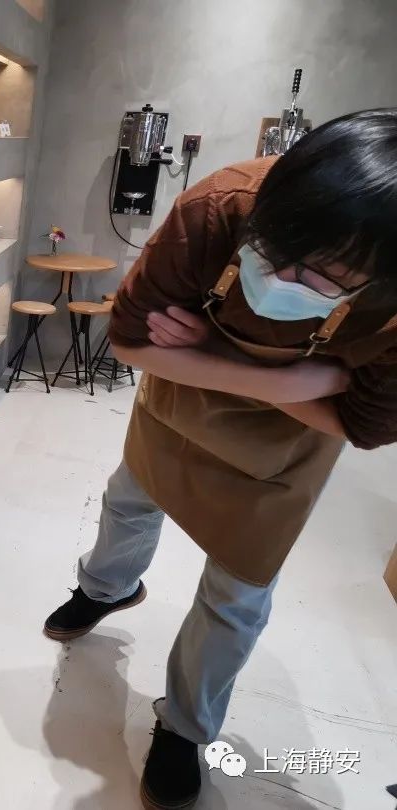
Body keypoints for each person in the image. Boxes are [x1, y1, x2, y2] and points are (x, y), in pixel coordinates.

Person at [42, 108, 397, 810]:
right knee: (128, 501)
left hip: (280, 456)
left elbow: (363, 424)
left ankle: (185, 728)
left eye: (322, 275)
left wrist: (203, 355)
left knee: (237, 595)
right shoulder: (222, 205)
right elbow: (130, 340)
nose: (284, 276)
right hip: (181, 410)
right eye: (273, 249)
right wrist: (297, 381)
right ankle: (107, 589)